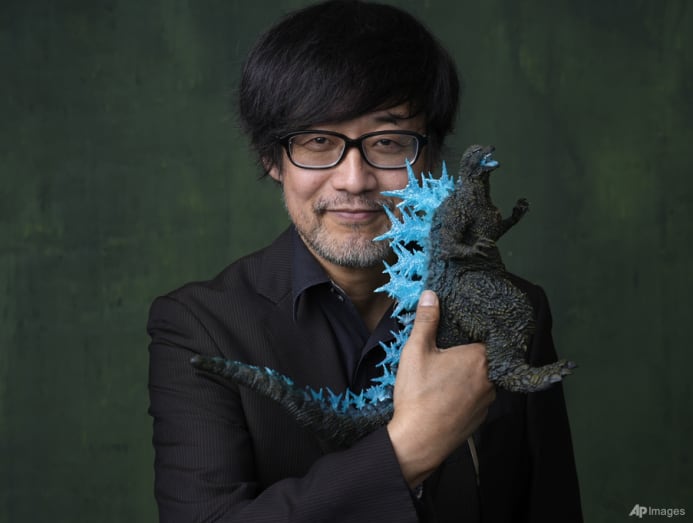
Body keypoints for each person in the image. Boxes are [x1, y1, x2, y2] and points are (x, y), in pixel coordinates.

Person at [147, 1, 583, 521]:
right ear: (272, 158)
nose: (354, 181)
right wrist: (410, 448)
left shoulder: (513, 308)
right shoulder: (200, 327)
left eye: (388, 142)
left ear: (431, 157)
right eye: (317, 141)